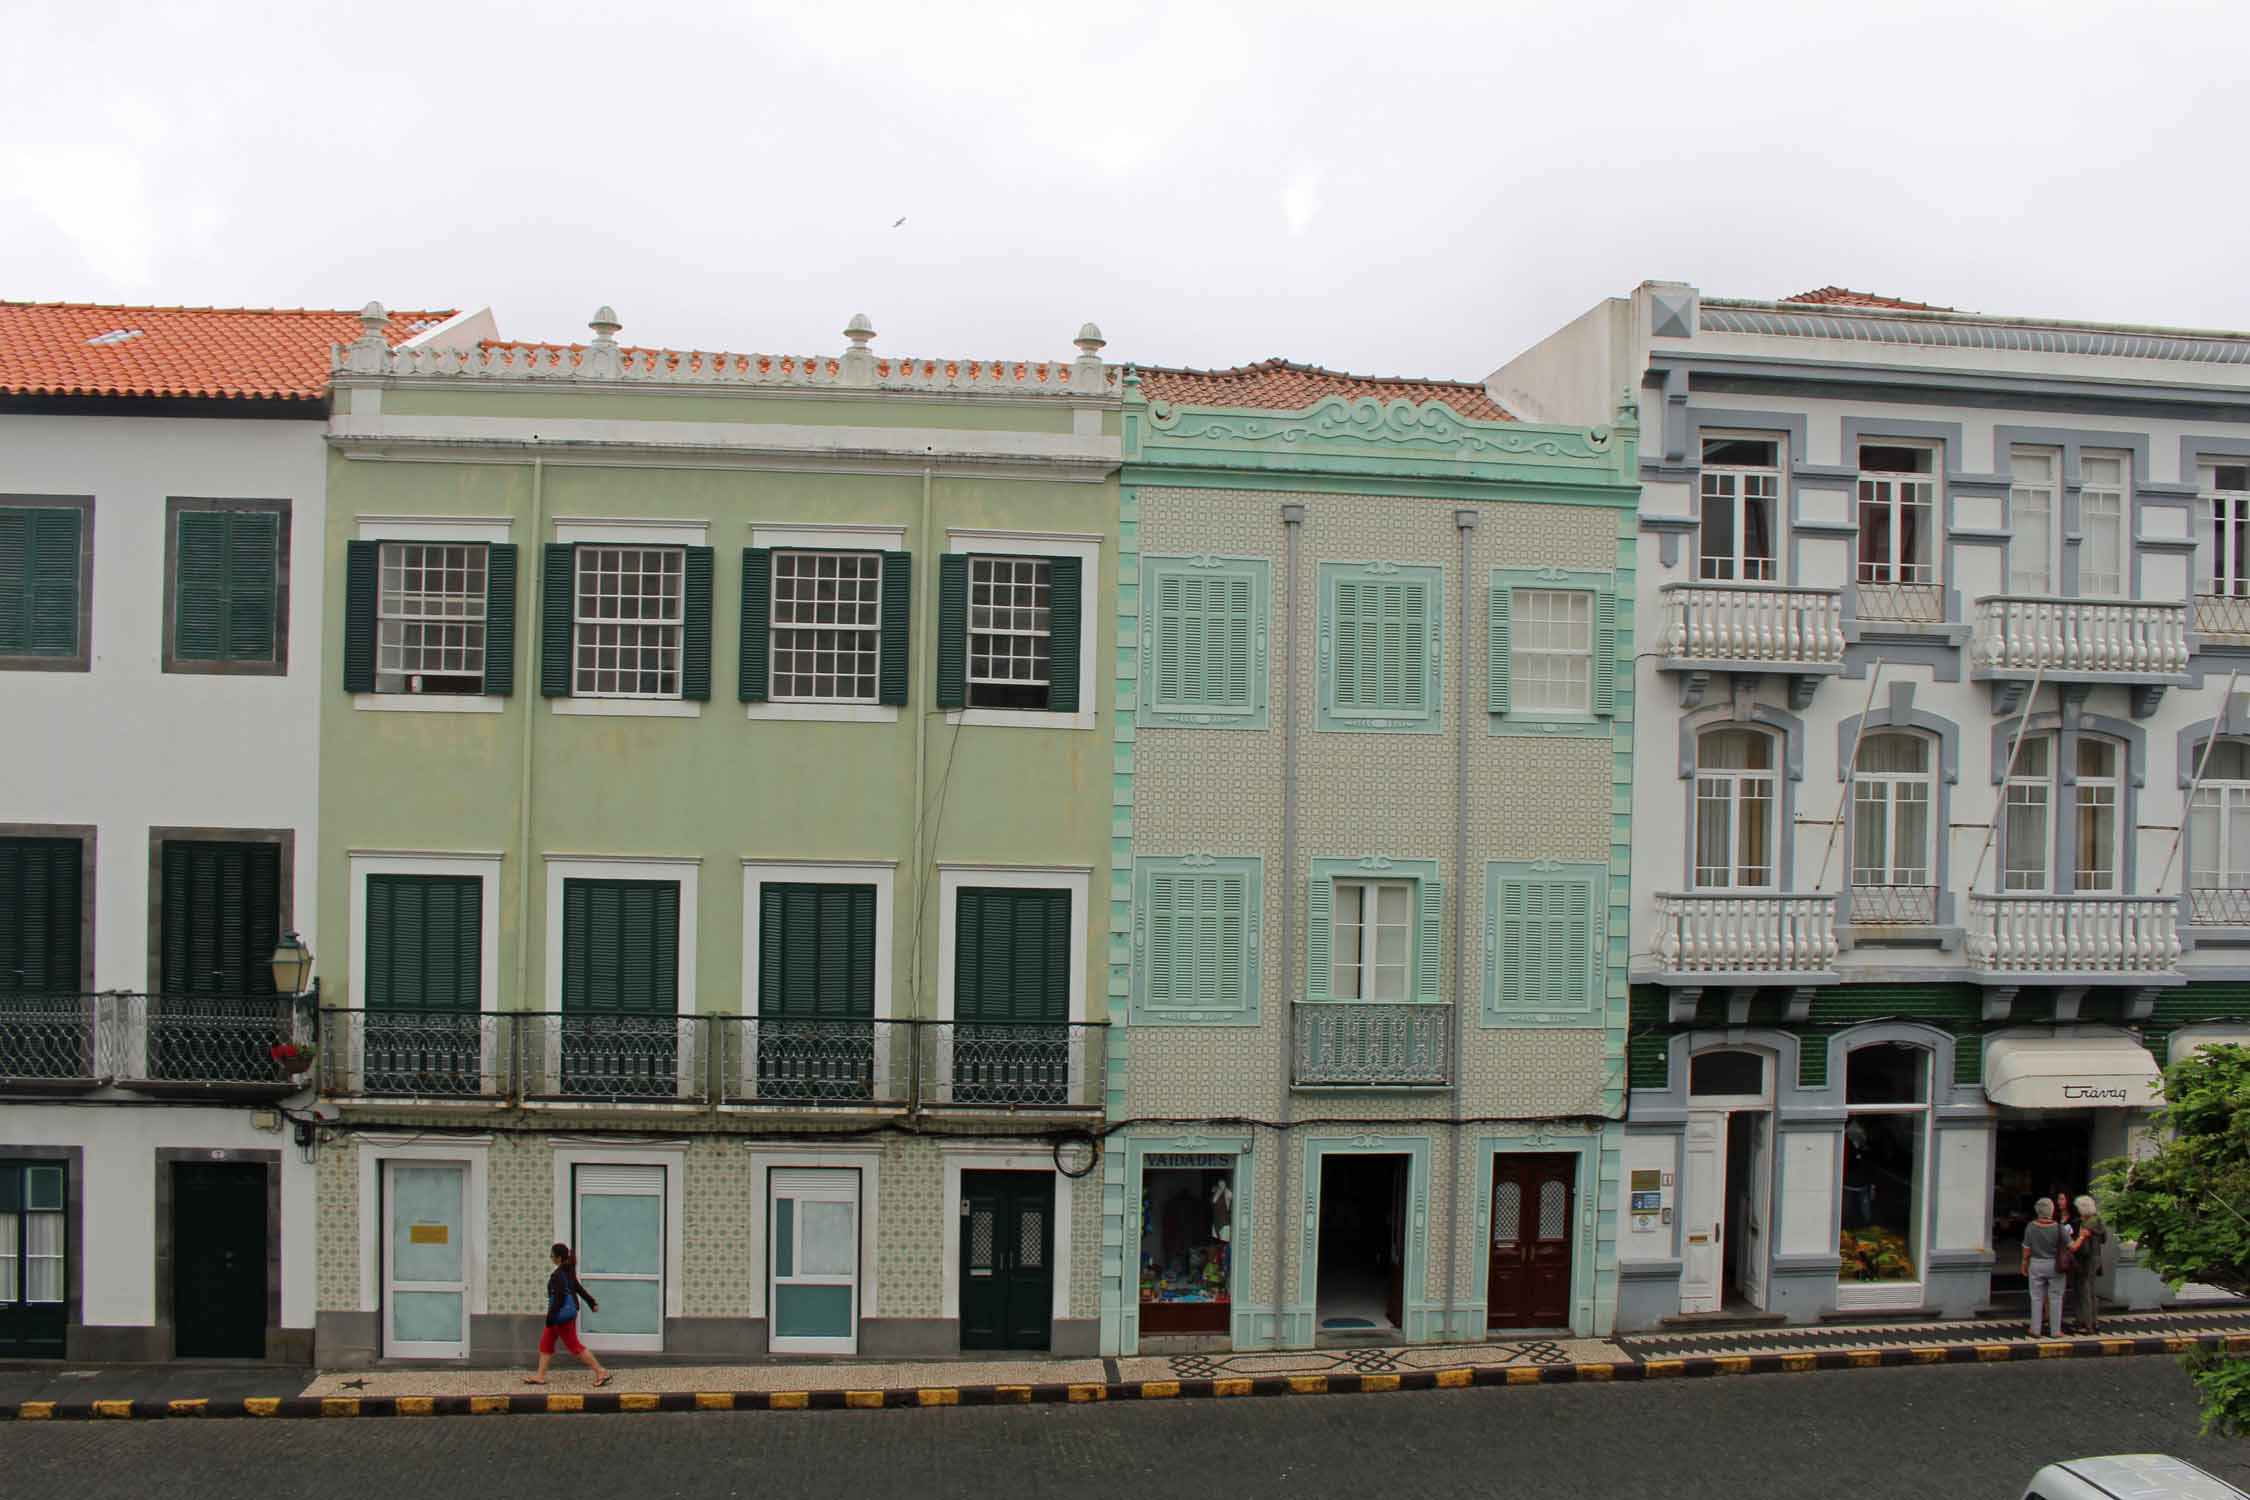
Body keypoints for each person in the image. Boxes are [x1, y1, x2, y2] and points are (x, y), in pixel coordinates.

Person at [526, 1242, 611, 1387]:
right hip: (561, 1316)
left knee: (575, 1346)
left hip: (561, 1317)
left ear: (558, 1258)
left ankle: (601, 1372)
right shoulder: (568, 1270)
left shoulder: (558, 1275)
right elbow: (577, 1288)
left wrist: (550, 1317)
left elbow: (558, 1299)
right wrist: (591, 1303)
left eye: (552, 1255)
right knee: (546, 1343)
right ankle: (540, 1376)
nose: (550, 1257)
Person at [2021, 1197, 2064, 1338]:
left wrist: (2024, 1264)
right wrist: (2082, 1237)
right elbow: (2071, 1246)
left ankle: (2035, 1329)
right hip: (2054, 1265)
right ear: (2051, 1210)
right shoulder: (2059, 1227)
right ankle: (2056, 1331)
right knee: (2056, 1297)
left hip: (2036, 1263)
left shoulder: (2031, 1226)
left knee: (2036, 1297)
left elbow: (2026, 1249)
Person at [2069, 1194, 2108, 1336]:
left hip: (2086, 1260)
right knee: (2091, 1291)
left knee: (2083, 1291)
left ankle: (2086, 1323)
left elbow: (2083, 1248)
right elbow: (2104, 1239)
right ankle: (2094, 1320)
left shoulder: (2086, 1224)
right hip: (2096, 1258)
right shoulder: (2098, 1221)